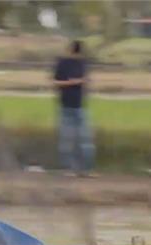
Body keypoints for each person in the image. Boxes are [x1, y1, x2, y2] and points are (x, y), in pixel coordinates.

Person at [52, 40, 96, 177]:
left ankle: (86, 169)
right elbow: (55, 82)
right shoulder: (62, 63)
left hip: (80, 106)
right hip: (65, 106)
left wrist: (85, 82)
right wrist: (71, 82)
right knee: (67, 139)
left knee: (86, 139)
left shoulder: (83, 64)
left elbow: (86, 80)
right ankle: (68, 169)